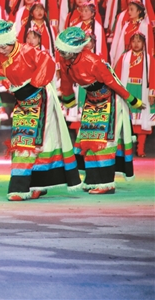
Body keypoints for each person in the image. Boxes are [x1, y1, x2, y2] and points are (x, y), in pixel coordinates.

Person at [0, 20, 82, 201]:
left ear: (12, 40)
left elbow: (48, 61)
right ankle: (25, 186)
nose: (1, 50)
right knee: (21, 140)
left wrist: (34, 84)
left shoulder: (27, 51)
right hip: (22, 102)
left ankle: (30, 186)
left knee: (36, 142)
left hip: (40, 98)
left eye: (4, 46)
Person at [56, 27, 138, 194]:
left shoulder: (93, 61)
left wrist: (131, 99)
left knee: (103, 142)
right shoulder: (65, 61)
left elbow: (112, 82)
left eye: (64, 51)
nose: (61, 54)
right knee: (88, 139)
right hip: (91, 101)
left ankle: (106, 183)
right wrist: (68, 101)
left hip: (109, 100)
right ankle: (93, 180)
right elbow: (66, 82)